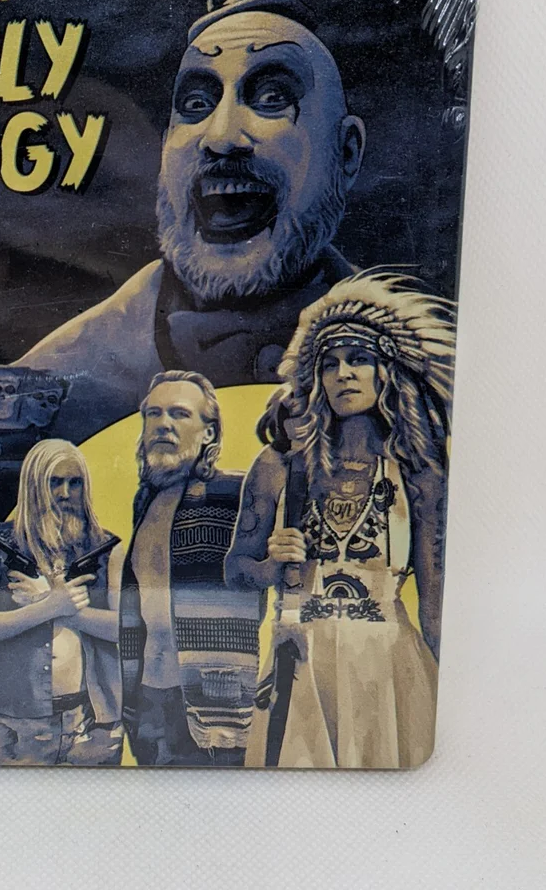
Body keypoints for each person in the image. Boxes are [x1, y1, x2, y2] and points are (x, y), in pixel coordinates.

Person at [19, 0, 366, 439]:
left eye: (270, 98)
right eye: (197, 104)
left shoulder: (432, 363)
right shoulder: (63, 371)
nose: (221, 137)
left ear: (346, 153)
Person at [225, 271, 455, 768]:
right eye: (330, 364)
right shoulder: (281, 464)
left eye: (358, 359)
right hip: (299, 664)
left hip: (388, 669)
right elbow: (236, 568)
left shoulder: (420, 473)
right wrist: (270, 567)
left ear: (387, 370)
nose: (343, 374)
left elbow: (435, 603)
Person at [121, 370, 261, 766]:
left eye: (180, 414)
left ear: (209, 432)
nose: (163, 423)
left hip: (219, 702)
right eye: (153, 413)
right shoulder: (144, 500)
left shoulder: (239, 490)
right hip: (148, 697)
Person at [0, 439, 124, 765]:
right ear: (33, 485)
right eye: (54, 482)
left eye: (75, 483)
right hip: (18, 727)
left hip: (92, 725)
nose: (65, 493)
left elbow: (126, 628)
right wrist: (48, 607)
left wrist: (52, 603)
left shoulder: (107, 548)